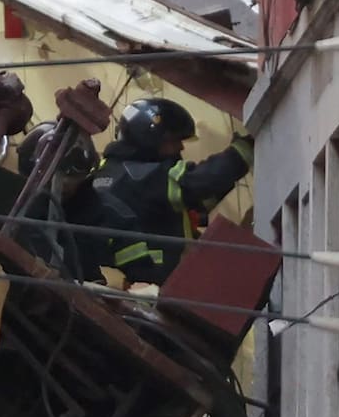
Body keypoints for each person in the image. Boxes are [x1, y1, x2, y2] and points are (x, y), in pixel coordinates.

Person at [90, 97, 254, 285]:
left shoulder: (106, 171)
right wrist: (245, 148)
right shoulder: (146, 176)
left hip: (130, 285)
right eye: (174, 140)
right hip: (157, 284)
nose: (181, 147)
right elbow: (202, 182)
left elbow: (193, 201)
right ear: (149, 139)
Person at [14, 121, 109, 282]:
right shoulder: (13, 201)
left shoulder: (93, 211)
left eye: (72, 176)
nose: (63, 183)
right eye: (55, 176)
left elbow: (87, 270)